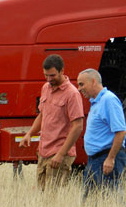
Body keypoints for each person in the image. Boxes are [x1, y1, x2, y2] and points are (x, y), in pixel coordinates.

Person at [19, 54, 84, 191]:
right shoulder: (46, 88)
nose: (49, 79)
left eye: (52, 75)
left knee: (54, 198)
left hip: (60, 153)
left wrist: (61, 154)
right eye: (46, 75)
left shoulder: (72, 94)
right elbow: (42, 115)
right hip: (44, 152)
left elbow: (78, 126)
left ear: (62, 71)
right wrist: (29, 134)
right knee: (43, 196)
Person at [77, 68, 126, 198]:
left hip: (105, 158)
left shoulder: (109, 100)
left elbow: (121, 131)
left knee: (110, 199)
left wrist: (110, 159)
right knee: (91, 202)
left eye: (82, 84)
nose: (79, 88)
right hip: (95, 160)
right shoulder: (96, 103)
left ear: (93, 81)